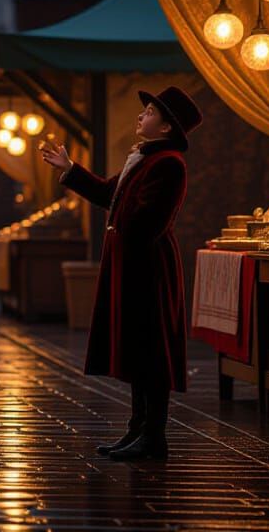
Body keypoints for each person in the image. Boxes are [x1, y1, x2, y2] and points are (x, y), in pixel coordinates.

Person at [40, 86, 201, 462]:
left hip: (148, 264)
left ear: (165, 128)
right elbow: (108, 194)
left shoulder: (168, 163)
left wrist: (119, 230)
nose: (141, 116)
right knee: (137, 347)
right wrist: (70, 170)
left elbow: (148, 219)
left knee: (151, 349)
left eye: (149, 113)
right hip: (131, 261)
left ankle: (153, 434)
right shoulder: (143, 159)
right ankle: (137, 428)